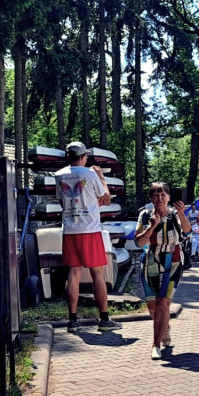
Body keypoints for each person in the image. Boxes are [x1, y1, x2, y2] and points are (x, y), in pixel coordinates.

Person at [55, 141, 122, 333]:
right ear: (83, 157)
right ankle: (104, 318)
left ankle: (73, 321)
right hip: (90, 230)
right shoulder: (90, 174)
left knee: (73, 274)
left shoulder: (59, 175)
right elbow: (106, 197)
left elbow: (62, 201)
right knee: (97, 273)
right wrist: (101, 178)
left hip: (70, 230)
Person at [134, 182, 191, 360]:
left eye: (163, 195)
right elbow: (139, 242)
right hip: (150, 261)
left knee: (163, 303)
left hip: (172, 262)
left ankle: (155, 344)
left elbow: (188, 233)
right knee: (153, 308)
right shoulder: (144, 215)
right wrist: (151, 226)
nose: (159, 198)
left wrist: (182, 214)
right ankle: (164, 328)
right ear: (151, 198)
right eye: (155, 195)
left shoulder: (175, 214)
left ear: (169, 197)